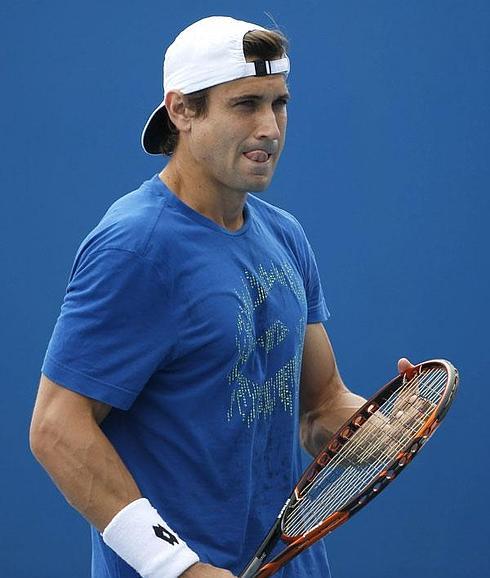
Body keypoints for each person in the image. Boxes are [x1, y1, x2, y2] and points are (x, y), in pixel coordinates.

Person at [30, 15, 413, 578]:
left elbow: (319, 406)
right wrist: (176, 567)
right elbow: (56, 428)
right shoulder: (135, 248)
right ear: (182, 110)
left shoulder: (284, 234)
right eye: (245, 104)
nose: (270, 128)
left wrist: (381, 429)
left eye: (279, 104)